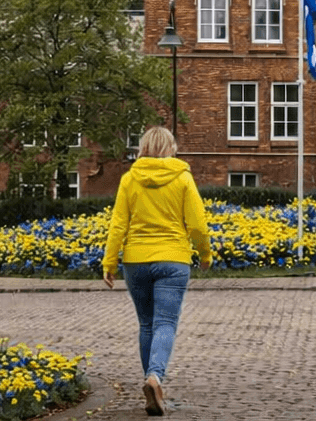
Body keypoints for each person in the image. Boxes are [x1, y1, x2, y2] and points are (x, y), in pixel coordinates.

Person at [103, 126, 213, 415]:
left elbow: (118, 225)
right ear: (171, 147)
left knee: (147, 324)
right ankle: (155, 378)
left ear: (143, 147)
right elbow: (198, 224)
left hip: (136, 261)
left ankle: (152, 386)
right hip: (173, 260)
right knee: (165, 323)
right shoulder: (183, 178)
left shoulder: (129, 179)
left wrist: (109, 262)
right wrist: (205, 254)